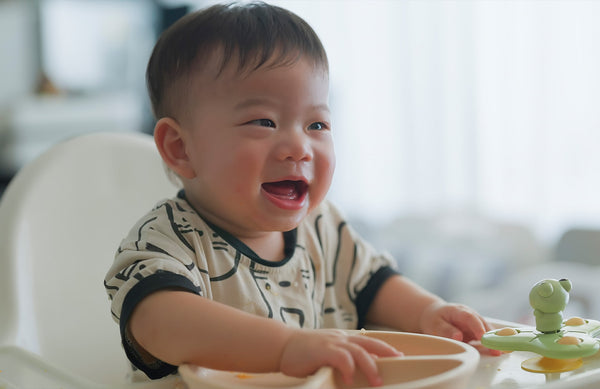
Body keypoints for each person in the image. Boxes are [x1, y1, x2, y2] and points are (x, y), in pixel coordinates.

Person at [104, 2, 497, 386]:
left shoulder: (322, 226)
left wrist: (429, 313)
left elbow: (372, 283)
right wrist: (286, 347)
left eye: (317, 124)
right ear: (180, 148)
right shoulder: (166, 241)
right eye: (264, 121)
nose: (299, 147)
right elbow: (161, 322)